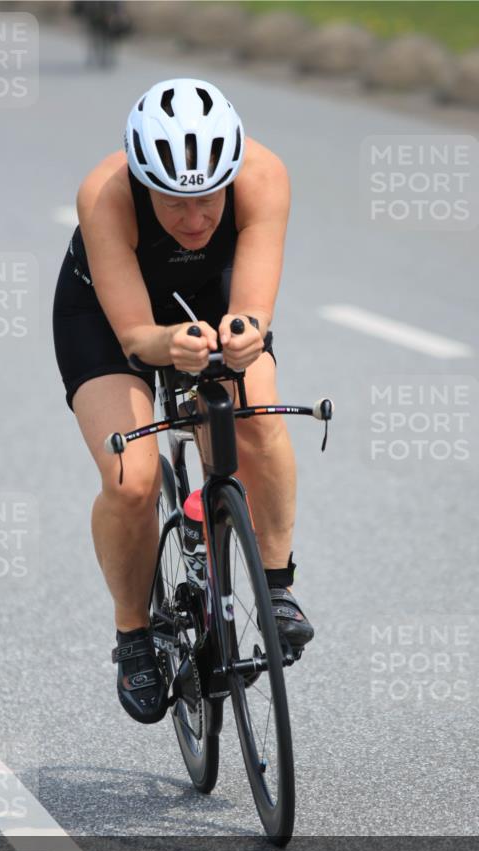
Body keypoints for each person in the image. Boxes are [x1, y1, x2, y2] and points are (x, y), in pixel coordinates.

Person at [53, 78, 313, 725]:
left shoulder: (263, 176)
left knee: (255, 414)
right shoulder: (105, 194)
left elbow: (252, 309)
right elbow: (138, 336)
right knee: (132, 479)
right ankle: (134, 635)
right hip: (113, 316)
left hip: (210, 297)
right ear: (143, 184)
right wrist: (168, 342)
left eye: (208, 200)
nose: (195, 219)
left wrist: (246, 334)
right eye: (174, 204)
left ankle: (276, 587)